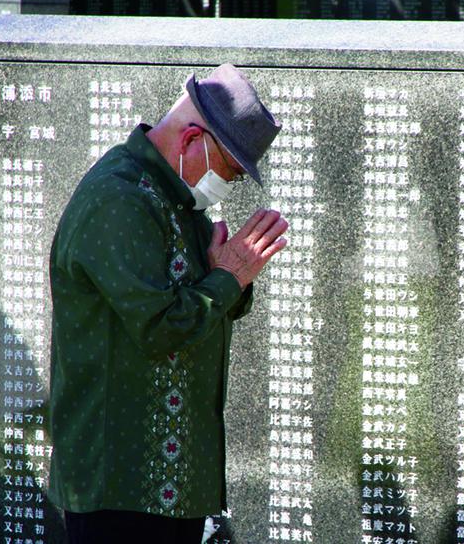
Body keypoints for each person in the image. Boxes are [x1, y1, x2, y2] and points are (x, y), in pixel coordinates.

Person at [47, 64, 286, 544]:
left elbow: (204, 300)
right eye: (231, 170)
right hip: (120, 488)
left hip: (170, 488)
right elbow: (161, 328)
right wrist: (229, 277)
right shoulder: (120, 199)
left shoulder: (177, 198)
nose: (228, 185)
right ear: (192, 141)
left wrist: (225, 278)